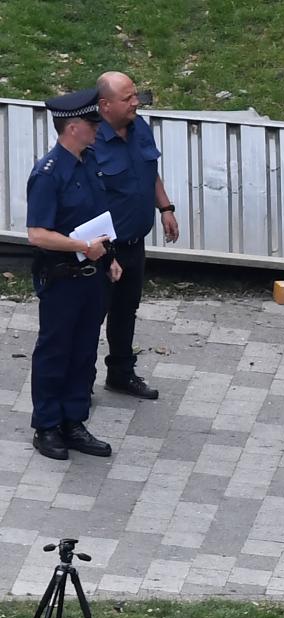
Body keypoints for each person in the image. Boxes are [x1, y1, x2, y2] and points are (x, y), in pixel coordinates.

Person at [26, 88, 125, 460]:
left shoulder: (89, 162)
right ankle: (47, 426)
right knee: (56, 351)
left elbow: (98, 219)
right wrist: (83, 248)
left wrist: (109, 257)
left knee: (84, 351)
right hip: (62, 278)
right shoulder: (49, 174)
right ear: (72, 129)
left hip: (92, 277)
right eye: (91, 123)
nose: (97, 129)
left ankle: (73, 420)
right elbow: (37, 234)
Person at [93, 71, 179, 400]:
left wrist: (166, 207)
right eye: (128, 98)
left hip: (134, 243)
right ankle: (80, 382)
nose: (136, 102)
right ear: (105, 105)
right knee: (92, 315)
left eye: (135, 95)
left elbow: (149, 170)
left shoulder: (139, 127)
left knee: (126, 311)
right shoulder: (92, 142)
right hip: (102, 250)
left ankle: (121, 373)